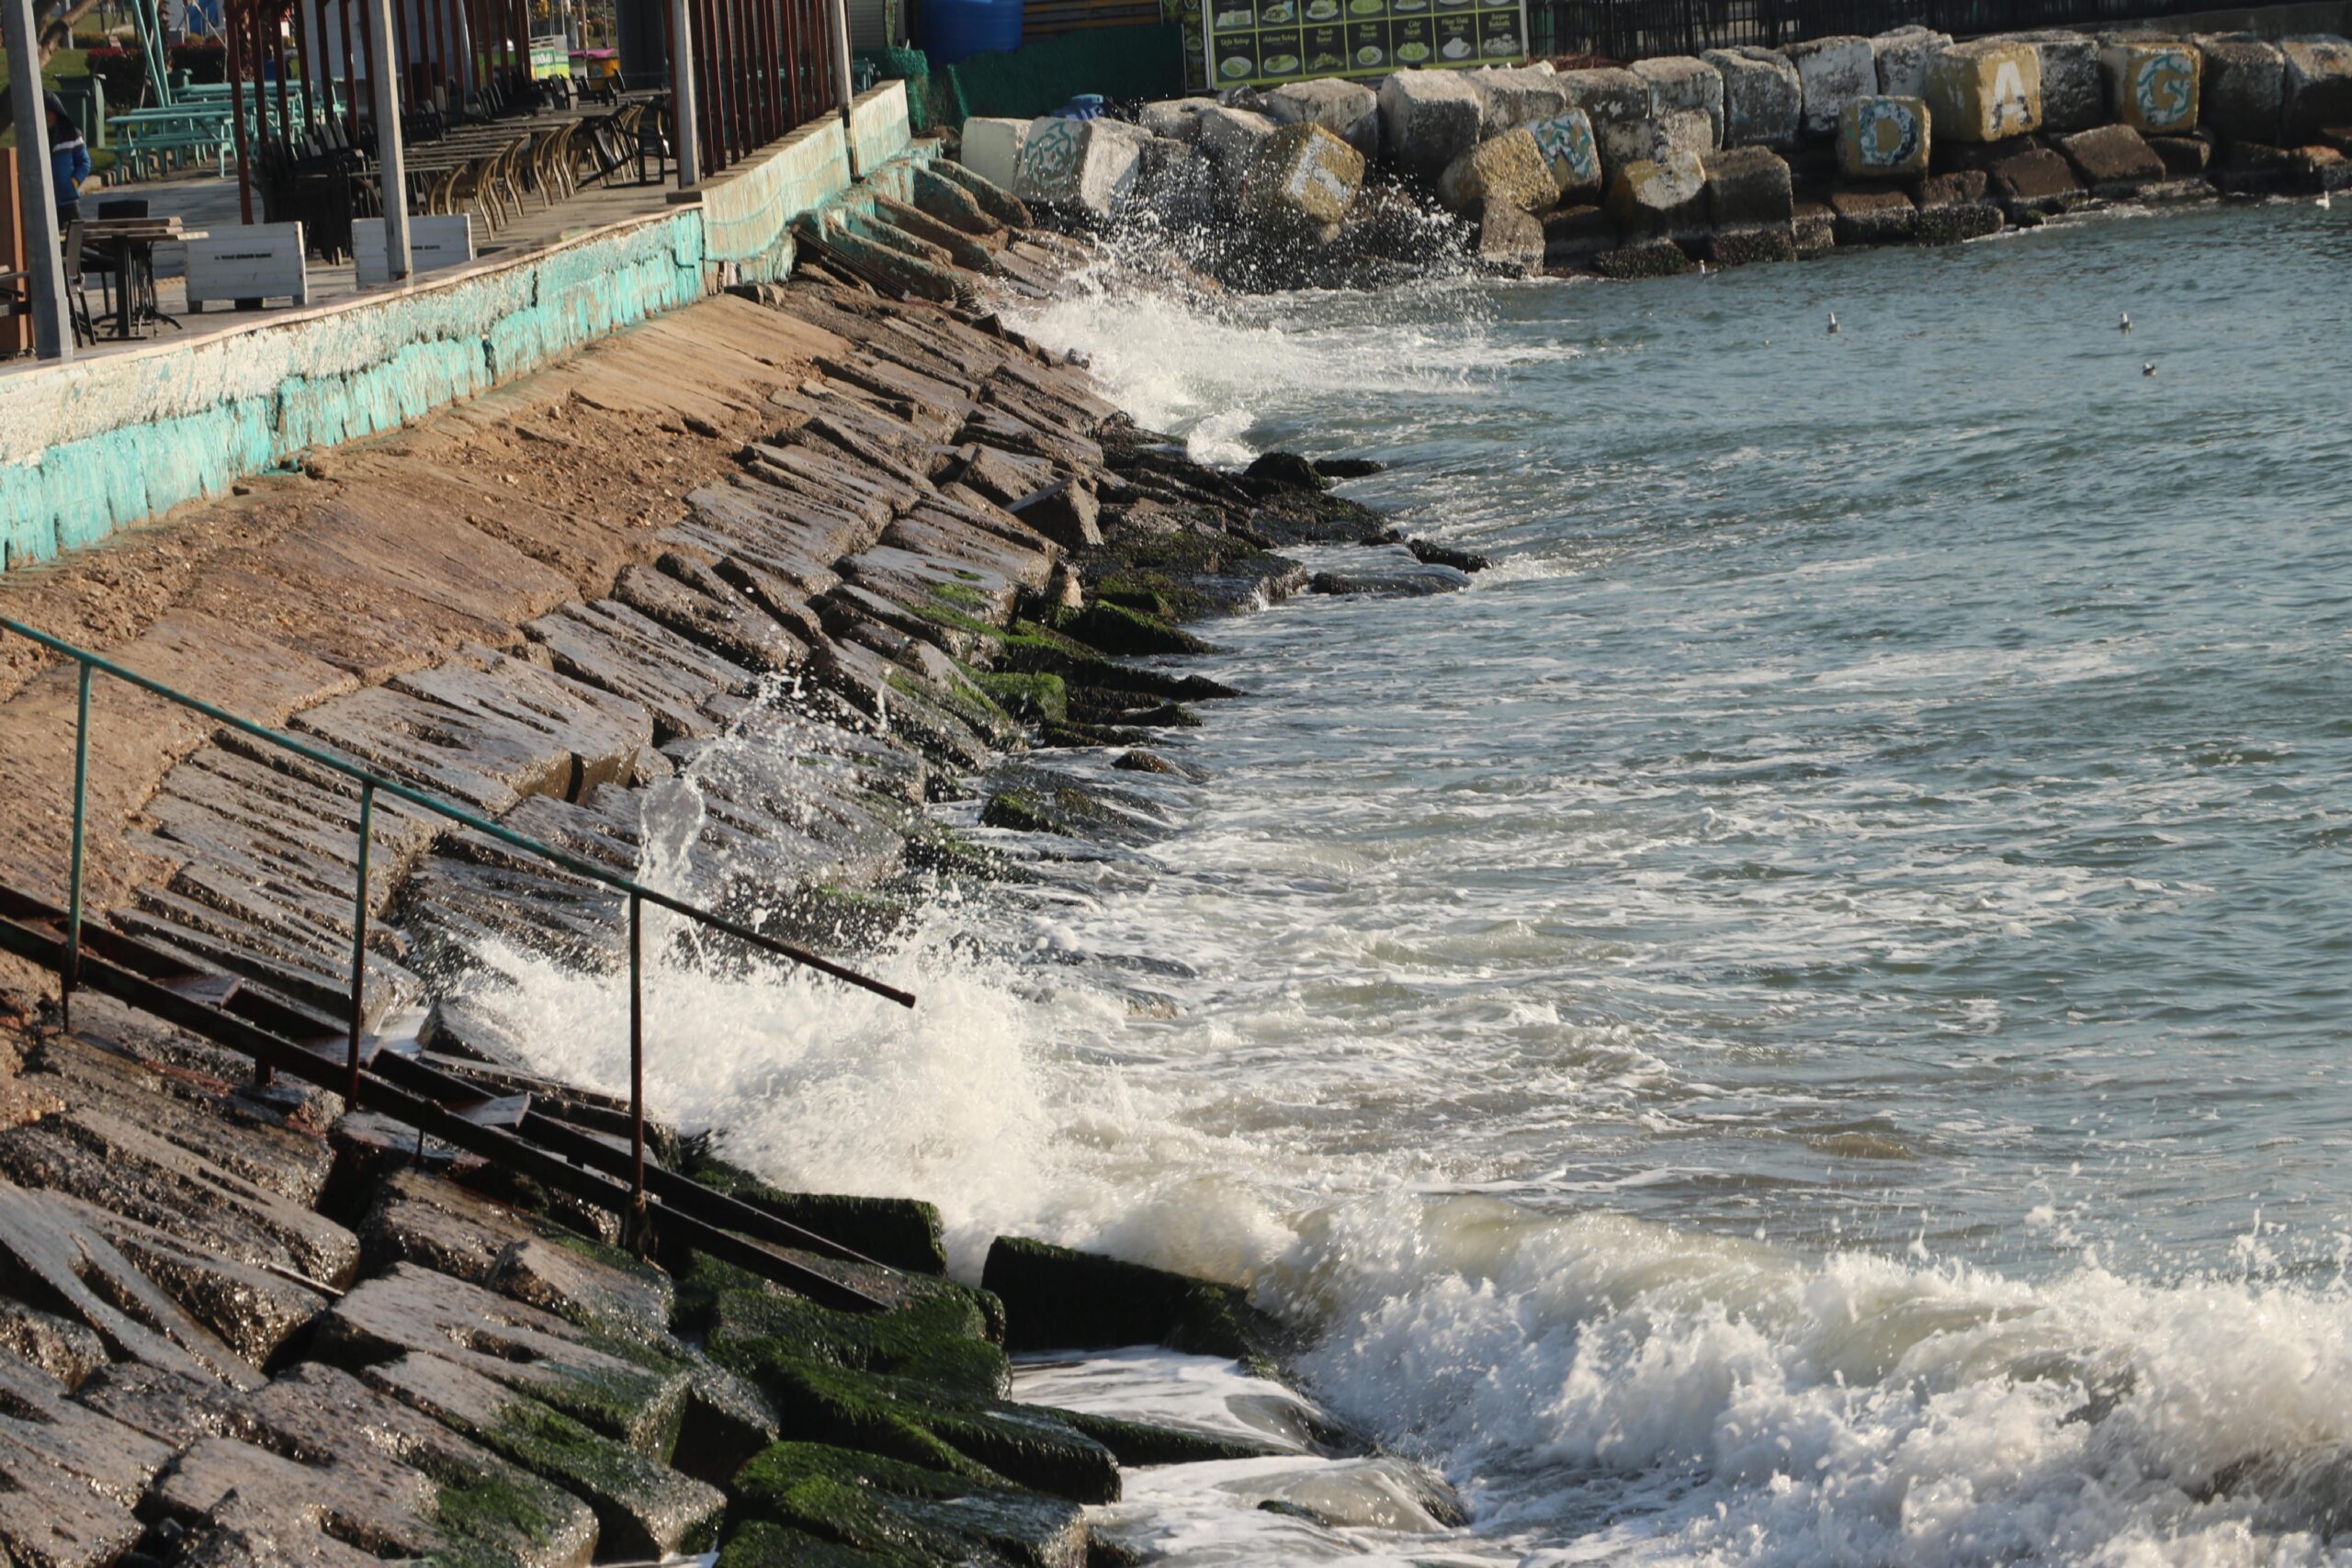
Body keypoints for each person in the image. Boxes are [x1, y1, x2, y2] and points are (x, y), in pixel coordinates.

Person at [45, 91, 90, 225]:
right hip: (46, 201)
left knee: (73, 242)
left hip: (68, 202)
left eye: (48, 112)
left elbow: (84, 162)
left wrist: (74, 182)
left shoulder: (71, 134)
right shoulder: (37, 135)